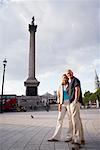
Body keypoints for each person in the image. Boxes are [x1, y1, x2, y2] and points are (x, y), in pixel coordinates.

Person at [48, 74, 72, 142]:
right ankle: (56, 137)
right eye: (63, 78)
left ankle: (69, 136)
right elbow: (58, 96)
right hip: (63, 104)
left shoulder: (70, 85)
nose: (64, 79)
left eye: (65, 78)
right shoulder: (60, 86)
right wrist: (59, 104)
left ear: (67, 78)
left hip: (70, 103)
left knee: (70, 120)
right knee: (59, 119)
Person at [66, 69, 85, 146]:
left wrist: (75, 100)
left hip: (74, 102)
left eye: (70, 73)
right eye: (67, 73)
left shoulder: (75, 80)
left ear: (72, 73)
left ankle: (76, 139)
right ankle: (82, 138)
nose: (69, 74)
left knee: (75, 120)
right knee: (78, 119)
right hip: (71, 102)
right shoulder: (69, 82)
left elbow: (77, 89)